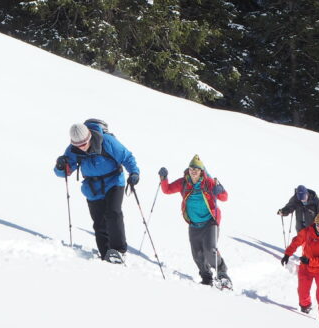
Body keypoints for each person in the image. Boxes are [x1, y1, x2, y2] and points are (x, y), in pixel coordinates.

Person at [54, 119, 140, 264]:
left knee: (113, 213)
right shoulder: (73, 149)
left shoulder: (106, 141)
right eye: (77, 145)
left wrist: (134, 173)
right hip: (92, 187)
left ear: (89, 137)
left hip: (113, 181)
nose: (81, 148)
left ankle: (119, 250)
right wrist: (60, 166)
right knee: (99, 221)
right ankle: (106, 254)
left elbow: (127, 157)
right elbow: (64, 173)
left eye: (84, 144)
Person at [158, 155, 232, 289]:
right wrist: (163, 178)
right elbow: (167, 190)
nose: (194, 171)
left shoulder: (209, 182)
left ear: (201, 171)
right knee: (197, 255)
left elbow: (224, 197)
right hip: (194, 224)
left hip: (210, 222)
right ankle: (206, 278)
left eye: (197, 169)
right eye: (192, 168)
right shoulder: (183, 183)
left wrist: (220, 190)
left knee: (210, 250)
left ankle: (222, 273)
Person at [280, 210, 319, 322]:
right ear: (315, 223)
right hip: (306, 268)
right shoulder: (307, 232)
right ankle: (305, 306)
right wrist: (287, 254)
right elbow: (296, 242)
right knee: (302, 291)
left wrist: (310, 261)